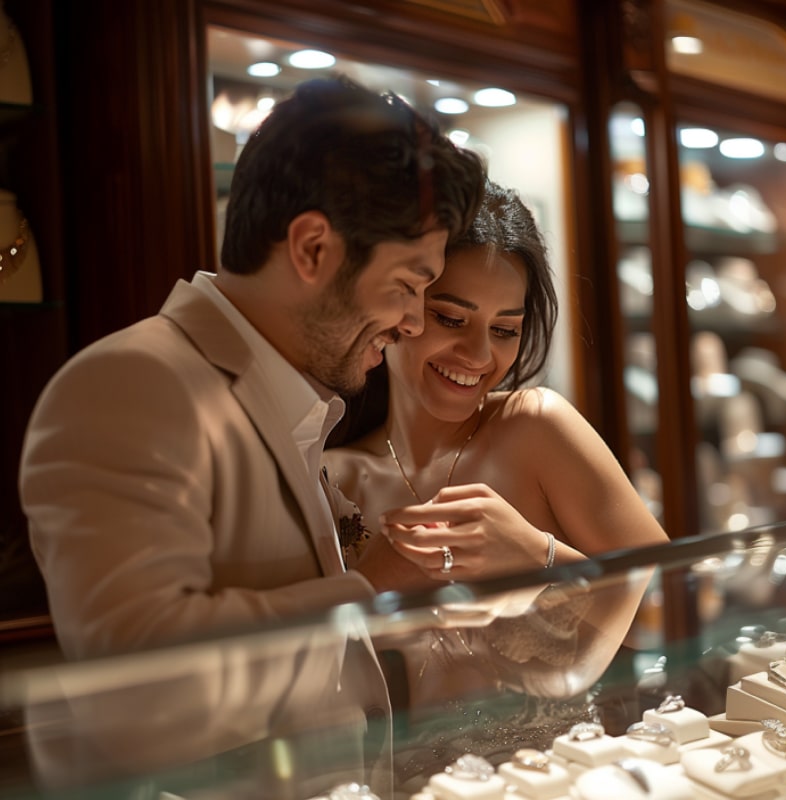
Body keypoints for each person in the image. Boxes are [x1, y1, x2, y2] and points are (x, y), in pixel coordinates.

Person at [18, 75, 485, 795]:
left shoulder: (295, 396)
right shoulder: (130, 384)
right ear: (312, 248)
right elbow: (142, 696)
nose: (414, 322)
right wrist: (373, 590)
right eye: (407, 284)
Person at [323, 181, 669, 773]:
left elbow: (674, 612)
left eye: (505, 329)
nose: (479, 354)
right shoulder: (336, 475)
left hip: (550, 781)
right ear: (399, 307)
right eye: (451, 318)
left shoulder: (535, 427)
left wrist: (538, 560)